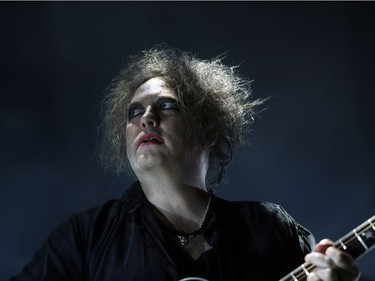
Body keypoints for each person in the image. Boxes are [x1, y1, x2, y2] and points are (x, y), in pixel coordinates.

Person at [10, 46, 360, 281]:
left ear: (207, 128)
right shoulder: (85, 238)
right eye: (134, 112)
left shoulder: (269, 227)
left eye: (166, 106)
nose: (146, 118)